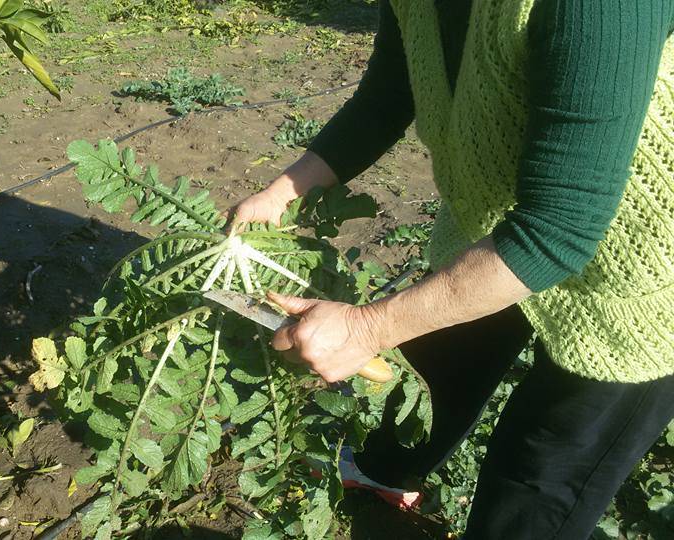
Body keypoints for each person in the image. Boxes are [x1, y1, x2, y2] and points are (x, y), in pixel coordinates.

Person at [227, 1, 674, 538]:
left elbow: (561, 227)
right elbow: (388, 95)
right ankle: (378, 482)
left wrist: (369, 326)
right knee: (433, 370)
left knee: (537, 477)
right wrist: (285, 189)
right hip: (495, 222)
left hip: (641, 267)